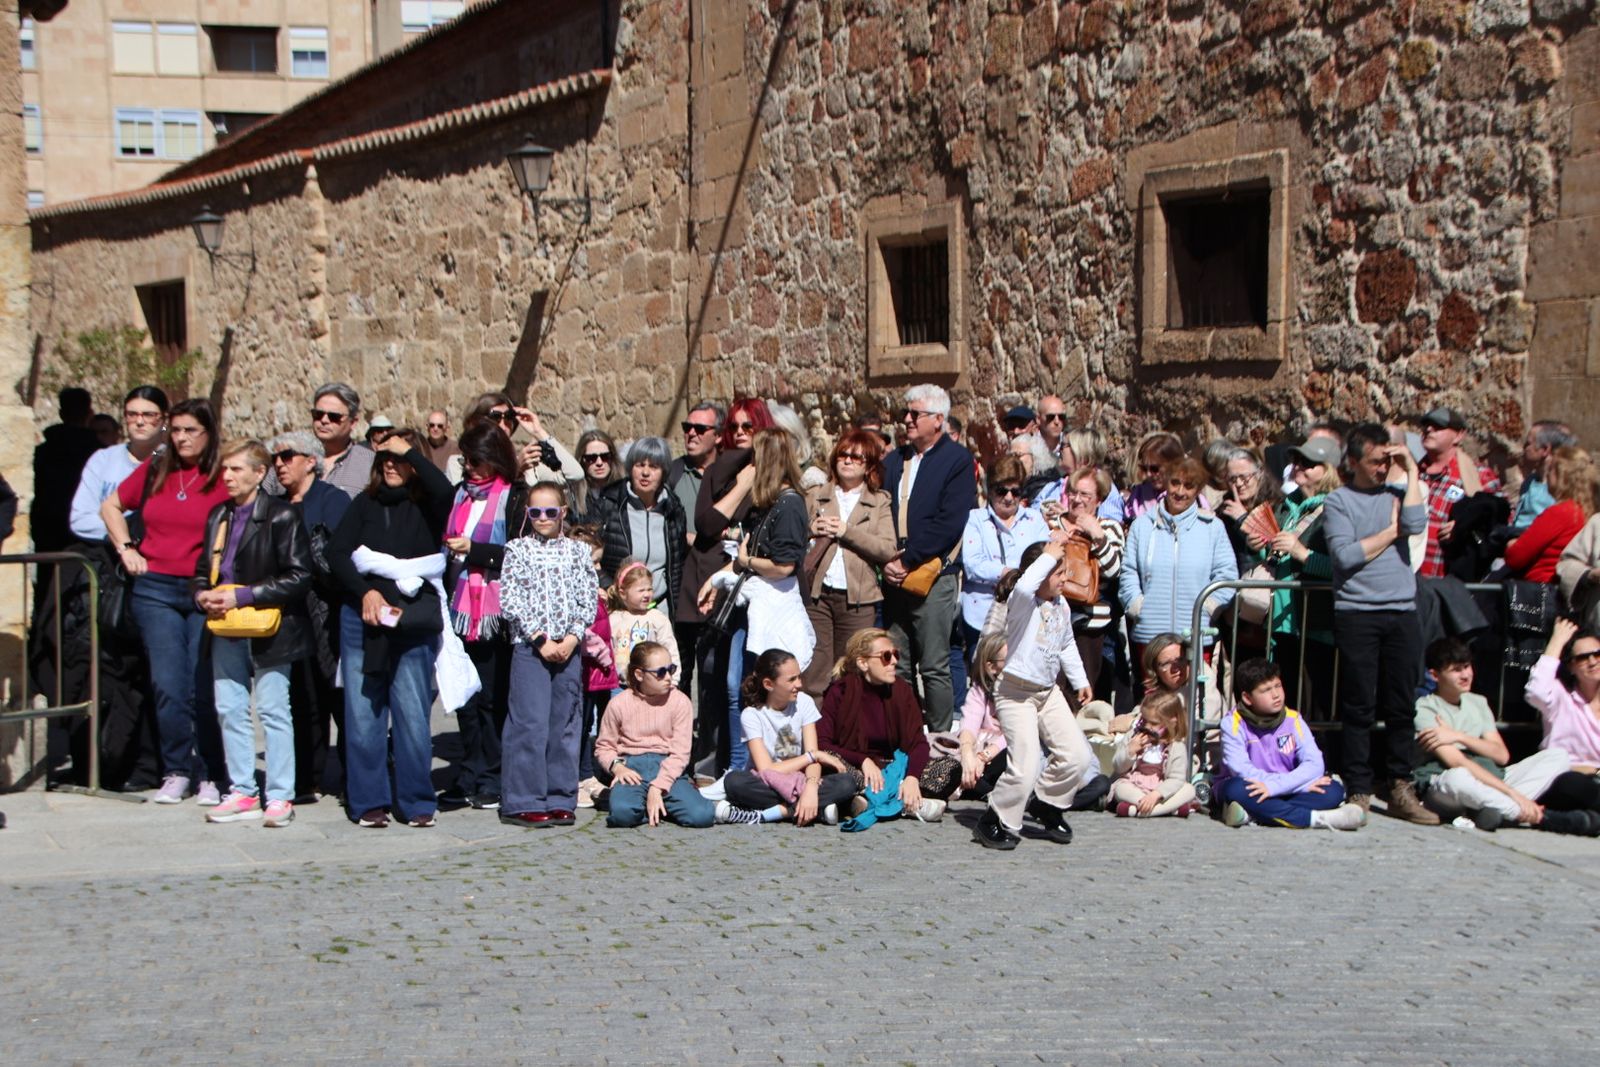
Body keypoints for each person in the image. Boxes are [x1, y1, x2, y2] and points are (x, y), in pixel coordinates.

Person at [101, 398, 231, 806]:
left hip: (201, 590)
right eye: (175, 430)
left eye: (191, 430)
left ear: (208, 433)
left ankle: (211, 771)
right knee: (168, 686)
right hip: (155, 589)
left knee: (203, 685)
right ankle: (177, 769)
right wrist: (126, 549)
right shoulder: (157, 469)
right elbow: (111, 506)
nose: (181, 438)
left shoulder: (220, 475)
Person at [329, 431, 454, 828]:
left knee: (413, 713)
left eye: (399, 459)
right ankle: (369, 800)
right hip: (362, 620)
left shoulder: (427, 506)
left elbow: (445, 490)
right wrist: (364, 593)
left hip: (411, 619)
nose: (390, 465)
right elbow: (337, 553)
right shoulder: (364, 504)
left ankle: (416, 800)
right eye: (384, 458)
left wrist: (410, 453)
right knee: (364, 712)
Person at [1321, 422, 1438, 823]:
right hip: (1358, 612)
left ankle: (1401, 783)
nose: (1382, 468)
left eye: (1388, 460)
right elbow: (1346, 557)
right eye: (1374, 461)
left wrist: (1413, 472)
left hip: (1402, 610)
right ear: (1352, 462)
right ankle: (1358, 787)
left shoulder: (1399, 493)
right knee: (1359, 704)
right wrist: (1391, 531)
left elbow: (1418, 525)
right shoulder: (1339, 501)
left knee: (1402, 703)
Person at [193, 440, 314, 828]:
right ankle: (242, 789)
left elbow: (300, 575)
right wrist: (202, 596)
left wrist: (243, 596)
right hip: (225, 626)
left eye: (236, 469)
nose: (227, 477)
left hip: (270, 626)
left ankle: (280, 795)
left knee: (274, 709)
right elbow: (202, 569)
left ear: (259, 474)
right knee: (229, 708)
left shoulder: (281, 516)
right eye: (225, 470)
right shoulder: (218, 515)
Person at [64, 386, 168, 791]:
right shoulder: (103, 461)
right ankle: (117, 762)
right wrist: (128, 533)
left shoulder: (171, 461)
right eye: (131, 414)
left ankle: (158, 763)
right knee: (115, 667)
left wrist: (124, 522)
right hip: (112, 577)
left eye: (148, 414)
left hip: (162, 572)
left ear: (162, 418)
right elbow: (80, 518)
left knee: (159, 670)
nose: (139, 421)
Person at [696, 427, 813, 772]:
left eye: (754, 459)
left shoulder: (790, 505)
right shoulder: (764, 505)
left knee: (757, 690)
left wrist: (746, 561)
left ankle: (755, 766)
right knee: (737, 687)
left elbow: (783, 565)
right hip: (751, 609)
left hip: (773, 613)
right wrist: (717, 579)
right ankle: (737, 766)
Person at [972, 537, 1096, 850]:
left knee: (1078, 756)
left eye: (1065, 571)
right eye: (1058, 572)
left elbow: (1066, 644)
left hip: (1047, 692)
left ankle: (1048, 804)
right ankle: (994, 819)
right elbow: (1025, 587)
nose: (1065, 578)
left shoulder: (1061, 605)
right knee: (1024, 768)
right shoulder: (1023, 603)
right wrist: (1048, 555)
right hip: (1015, 693)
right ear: (1038, 574)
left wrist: (1079, 680)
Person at [1413, 637, 1593, 834]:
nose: (1466, 675)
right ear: (1435, 675)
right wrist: (1515, 795)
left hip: (1492, 778)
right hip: (1447, 787)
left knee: (1558, 756)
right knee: (1458, 778)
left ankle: (1491, 810)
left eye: (1467, 667)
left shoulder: (1477, 702)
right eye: (1456, 670)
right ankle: (1543, 818)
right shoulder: (1425, 709)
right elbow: (1457, 762)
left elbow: (1501, 755)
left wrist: (1458, 736)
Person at [440, 422, 530, 811]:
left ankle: (493, 773)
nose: (470, 468)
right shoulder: (460, 495)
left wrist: (474, 550)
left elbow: (519, 554)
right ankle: (469, 771)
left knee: (492, 695)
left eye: (477, 460)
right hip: (460, 605)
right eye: (466, 460)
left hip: (495, 611)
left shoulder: (513, 498)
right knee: (466, 696)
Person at [498, 481, 598, 827]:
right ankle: (523, 798)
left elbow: (588, 598)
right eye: (535, 512)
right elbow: (511, 599)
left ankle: (560, 795)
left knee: (565, 724)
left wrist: (572, 637)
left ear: (563, 513)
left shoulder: (578, 552)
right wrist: (540, 639)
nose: (543, 518)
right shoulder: (518, 550)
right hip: (531, 646)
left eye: (550, 512)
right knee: (529, 723)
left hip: (567, 647)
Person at [684, 397, 775, 773]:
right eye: (733, 427)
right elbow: (706, 525)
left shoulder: (774, 474)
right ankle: (719, 759)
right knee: (715, 676)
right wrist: (741, 487)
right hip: (718, 592)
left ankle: (755, 762)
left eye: (747, 427)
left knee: (750, 679)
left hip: (759, 591)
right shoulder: (719, 472)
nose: (739, 434)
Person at [881, 383, 978, 732]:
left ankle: (939, 743)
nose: (906, 420)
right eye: (905, 413)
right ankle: (904, 735)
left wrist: (910, 559)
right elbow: (881, 509)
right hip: (894, 571)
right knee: (898, 661)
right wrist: (886, 558)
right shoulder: (895, 460)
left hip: (933, 574)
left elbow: (951, 521)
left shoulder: (957, 461)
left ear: (938, 419)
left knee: (934, 663)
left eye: (915, 414)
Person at [269, 430, 351, 800]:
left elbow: (340, 555)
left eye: (287, 456)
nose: (279, 464)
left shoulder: (332, 500)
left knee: (338, 696)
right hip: (288, 612)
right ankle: (307, 777)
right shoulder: (273, 504)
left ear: (310, 460)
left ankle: (356, 776)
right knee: (302, 696)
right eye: (276, 458)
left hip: (326, 609)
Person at [1217, 658, 1365, 830]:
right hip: (1257, 786)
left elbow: (1315, 763)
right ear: (1247, 698)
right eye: (1265, 690)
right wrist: (1293, 785)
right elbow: (1242, 770)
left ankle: (1253, 814)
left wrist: (1276, 787)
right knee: (1235, 789)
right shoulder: (1232, 723)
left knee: (1333, 791)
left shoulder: (1293, 719)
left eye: (1278, 686)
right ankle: (1314, 818)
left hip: (1282, 787)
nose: (1276, 695)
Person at [1119, 456, 1237, 672]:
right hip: (1151, 634)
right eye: (1175, 483)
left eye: (1189, 486)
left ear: (1198, 490)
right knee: (1155, 701)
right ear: (1166, 482)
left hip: (1195, 634)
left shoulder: (1213, 528)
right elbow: (1128, 572)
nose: (1180, 492)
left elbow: (1227, 575)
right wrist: (1138, 606)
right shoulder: (1142, 526)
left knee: (1196, 701)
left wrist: (1207, 608)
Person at [817, 628, 947, 822]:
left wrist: (912, 777)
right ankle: (905, 804)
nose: (894, 661)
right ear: (863, 662)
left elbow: (918, 743)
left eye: (896, 654)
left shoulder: (902, 690)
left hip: (895, 769)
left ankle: (867, 803)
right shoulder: (840, 692)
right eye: (886, 656)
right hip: (858, 770)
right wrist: (862, 760)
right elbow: (823, 743)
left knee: (949, 767)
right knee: (834, 765)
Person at [802, 429, 895, 698]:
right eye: (843, 454)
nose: (848, 461)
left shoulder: (879, 502)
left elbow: (887, 548)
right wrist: (811, 528)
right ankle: (815, 735)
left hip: (859, 598)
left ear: (868, 466)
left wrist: (846, 531)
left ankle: (849, 732)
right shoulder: (816, 495)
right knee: (816, 669)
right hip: (818, 596)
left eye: (857, 457)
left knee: (853, 668)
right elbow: (794, 536)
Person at [722, 649, 858, 824]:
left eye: (799, 677)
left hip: (802, 781)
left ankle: (781, 811)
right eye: (791, 679)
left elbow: (813, 763)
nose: (799, 684)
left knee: (847, 782)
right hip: (768, 783)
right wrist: (811, 756)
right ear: (769, 684)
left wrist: (810, 787)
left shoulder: (804, 702)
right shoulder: (752, 715)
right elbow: (766, 769)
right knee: (734, 782)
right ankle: (815, 809)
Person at [594, 641, 717, 828]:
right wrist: (617, 768)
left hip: (668, 765)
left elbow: (681, 753)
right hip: (632, 767)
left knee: (702, 815)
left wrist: (658, 786)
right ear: (639, 674)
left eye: (671, 669)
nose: (668, 677)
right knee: (622, 815)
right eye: (660, 672)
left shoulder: (680, 702)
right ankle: (646, 806)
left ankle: (657, 802)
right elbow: (604, 747)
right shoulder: (619, 704)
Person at [1266, 436, 1341, 720]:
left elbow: (1341, 566)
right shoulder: (1287, 507)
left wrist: (1301, 552)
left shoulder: (1338, 508)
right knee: (1289, 701)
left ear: (1328, 469)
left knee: (1321, 702)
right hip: (1284, 622)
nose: (1298, 467)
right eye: (1296, 461)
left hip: (1317, 621)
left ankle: (1325, 761)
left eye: (1308, 463)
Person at [1041, 466, 1125, 696]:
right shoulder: (1049, 525)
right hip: (1050, 620)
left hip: (1090, 624)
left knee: (1082, 691)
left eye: (1085, 495)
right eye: (1073, 493)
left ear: (1099, 499)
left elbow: (1114, 571)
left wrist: (1097, 536)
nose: (1077, 500)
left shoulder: (1109, 528)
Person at [962, 456, 1050, 664]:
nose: (1009, 497)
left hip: (1025, 615)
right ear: (990, 490)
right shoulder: (975, 519)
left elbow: (1045, 557)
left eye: (1016, 491)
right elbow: (973, 564)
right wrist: (1008, 573)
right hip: (982, 614)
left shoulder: (1034, 519)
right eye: (1002, 491)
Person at [597, 436, 686, 613]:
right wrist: (611, 590)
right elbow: (591, 558)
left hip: (659, 610)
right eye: (640, 465)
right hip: (618, 610)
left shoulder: (673, 510)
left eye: (653, 466)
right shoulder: (610, 503)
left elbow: (676, 569)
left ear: (663, 472)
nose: (645, 473)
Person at [1417, 406, 1502, 579]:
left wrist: (1464, 526)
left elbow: (1501, 519)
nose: (1428, 430)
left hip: (1448, 579)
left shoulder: (1478, 476)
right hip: (1408, 578)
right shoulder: (1412, 472)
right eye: (1426, 425)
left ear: (1459, 435)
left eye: (1438, 426)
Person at [567, 525, 615, 809]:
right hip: (587, 669)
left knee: (591, 725)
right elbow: (587, 635)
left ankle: (588, 774)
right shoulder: (576, 594)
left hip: (599, 674)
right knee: (580, 725)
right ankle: (578, 776)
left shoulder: (594, 590)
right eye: (593, 562)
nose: (598, 567)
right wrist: (601, 654)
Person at [446, 393, 583, 492]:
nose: (503, 425)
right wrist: (515, 471)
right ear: (475, 422)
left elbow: (575, 475)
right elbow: (473, 501)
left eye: (509, 418)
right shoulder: (460, 464)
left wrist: (538, 432)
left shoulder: (527, 463)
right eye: (495, 417)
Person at [1503, 446, 1594, 583]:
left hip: (1539, 591)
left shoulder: (1561, 512)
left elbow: (1515, 557)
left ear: (1562, 477)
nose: (1547, 475)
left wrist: (1512, 544)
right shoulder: (1587, 511)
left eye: (1550, 470)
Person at [1106, 691, 1200, 818]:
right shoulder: (1133, 736)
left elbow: (1176, 778)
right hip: (1135, 785)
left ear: (1172, 722)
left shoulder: (1176, 746)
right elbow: (1118, 767)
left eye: (1154, 723)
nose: (1147, 726)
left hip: (1161, 789)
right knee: (1120, 789)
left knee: (1189, 790)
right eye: (1144, 720)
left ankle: (1138, 811)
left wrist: (1156, 794)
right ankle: (1169, 809)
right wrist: (1130, 751)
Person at [33, 386, 100, 552]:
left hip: (49, 531)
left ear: (62, 414)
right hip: (89, 532)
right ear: (89, 414)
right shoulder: (100, 453)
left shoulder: (44, 452)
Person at [608, 560, 681, 671]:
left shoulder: (657, 618)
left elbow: (671, 650)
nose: (646, 594)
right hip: (620, 686)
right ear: (623, 593)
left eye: (649, 589)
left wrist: (673, 680)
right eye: (641, 590)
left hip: (652, 682)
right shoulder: (614, 619)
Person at [308, 382, 376, 498]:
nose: (324, 420)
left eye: (334, 416)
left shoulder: (369, 463)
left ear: (353, 422)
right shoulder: (291, 459)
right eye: (318, 414)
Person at [1510, 420, 1575, 532]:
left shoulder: (1561, 488)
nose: (1524, 449)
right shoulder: (1530, 481)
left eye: (1528, 444)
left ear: (1545, 450)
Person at [1122, 431, 1185, 523]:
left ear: (1174, 465)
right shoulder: (1138, 495)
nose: (1148, 474)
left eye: (1154, 469)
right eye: (1144, 468)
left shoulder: (1190, 498)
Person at [570, 429, 625, 526]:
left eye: (605, 456)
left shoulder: (625, 490)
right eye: (591, 458)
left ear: (613, 457)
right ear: (582, 460)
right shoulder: (573, 496)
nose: (599, 463)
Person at [1036, 394, 1069, 460]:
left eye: (1061, 417)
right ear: (1038, 419)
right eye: (1050, 417)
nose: (1057, 422)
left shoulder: (1072, 447)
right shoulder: (1029, 447)